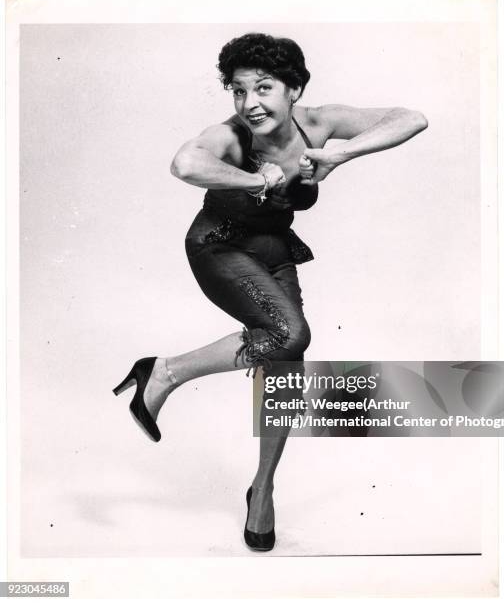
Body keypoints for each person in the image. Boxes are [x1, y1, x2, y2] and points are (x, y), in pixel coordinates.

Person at [113, 32, 428, 552]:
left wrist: (343, 153)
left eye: (263, 88)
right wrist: (254, 180)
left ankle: (262, 489)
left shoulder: (320, 123)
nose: (250, 103)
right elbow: (185, 165)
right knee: (289, 332)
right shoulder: (231, 136)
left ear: (294, 90)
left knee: (286, 362)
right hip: (219, 247)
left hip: (274, 251)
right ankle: (165, 370)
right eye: (238, 91)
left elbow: (410, 118)